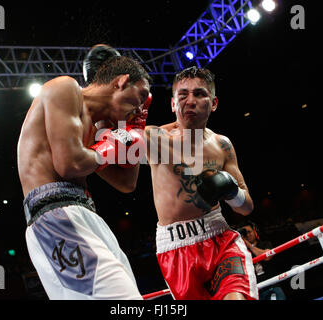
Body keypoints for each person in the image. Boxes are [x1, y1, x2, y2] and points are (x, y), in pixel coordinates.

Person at [17, 45, 151, 300]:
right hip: (55, 213)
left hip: (84, 213)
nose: (140, 106)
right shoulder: (65, 89)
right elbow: (69, 164)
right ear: (121, 81)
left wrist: (133, 129)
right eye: (141, 95)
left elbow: (126, 183)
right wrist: (116, 142)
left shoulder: (102, 127)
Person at [144, 66, 258, 300]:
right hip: (175, 250)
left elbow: (246, 207)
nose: (190, 101)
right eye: (182, 95)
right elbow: (106, 142)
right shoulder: (153, 138)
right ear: (173, 104)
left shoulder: (222, 145)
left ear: (214, 103)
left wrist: (231, 191)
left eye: (199, 94)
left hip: (219, 240)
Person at [238, 221, 287, 300]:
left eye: (249, 232)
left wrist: (250, 246)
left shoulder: (265, 244)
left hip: (271, 286)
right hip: (257, 292)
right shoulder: (242, 251)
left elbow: (267, 257)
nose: (248, 235)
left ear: (255, 231)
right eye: (245, 233)